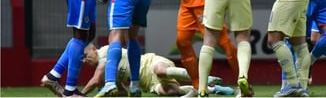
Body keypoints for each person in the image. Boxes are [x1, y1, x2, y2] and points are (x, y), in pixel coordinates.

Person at [81, 44, 234, 96]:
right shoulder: (107, 75)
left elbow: (95, 80)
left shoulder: (105, 52)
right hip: (147, 84)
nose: (84, 60)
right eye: (82, 59)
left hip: (150, 63)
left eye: (85, 55)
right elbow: (122, 92)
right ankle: (213, 89)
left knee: (161, 71)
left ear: (94, 49)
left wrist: (79, 95)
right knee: (174, 91)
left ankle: (203, 78)